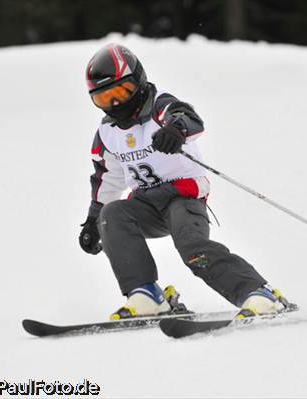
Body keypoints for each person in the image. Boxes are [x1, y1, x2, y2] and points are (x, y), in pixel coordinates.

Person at [79, 43, 283, 320]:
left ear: (138, 82)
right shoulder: (108, 132)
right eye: (105, 99)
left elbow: (189, 116)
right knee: (112, 214)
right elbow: (107, 177)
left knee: (192, 249)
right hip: (145, 206)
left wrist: (176, 129)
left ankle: (259, 293)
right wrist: (93, 220)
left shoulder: (159, 105)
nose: (115, 104)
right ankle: (146, 294)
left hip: (181, 197)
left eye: (121, 93)